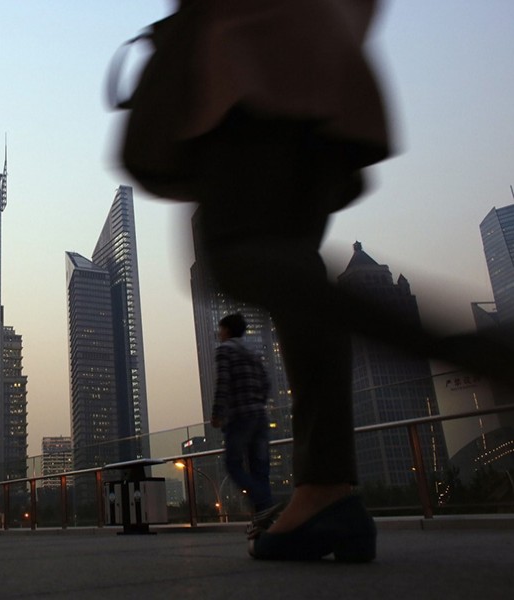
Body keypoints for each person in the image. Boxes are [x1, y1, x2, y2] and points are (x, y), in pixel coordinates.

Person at [121, 0, 514, 561]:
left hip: (254, 69)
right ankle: (328, 491)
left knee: (235, 257)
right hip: (314, 71)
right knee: (293, 275)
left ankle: (478, 352)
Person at [210, 314, 277, 533]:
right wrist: (258, 403)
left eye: (220, 329)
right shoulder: (253, 352)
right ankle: (264, 523)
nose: (219, 334)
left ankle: (265, 503)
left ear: (227, 330)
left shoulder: (225, 350)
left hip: (239, 416)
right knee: (260, 468)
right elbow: (267, 383)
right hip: (260, 415)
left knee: (233, 464)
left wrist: (218, 413)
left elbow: (223, 383)